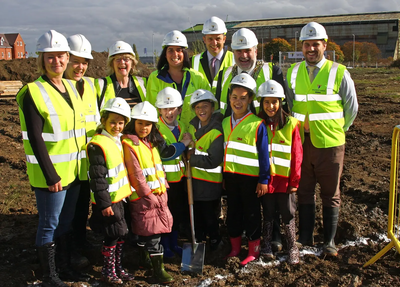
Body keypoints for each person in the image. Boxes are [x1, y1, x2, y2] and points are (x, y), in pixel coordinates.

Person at [16, 30, 89, 286]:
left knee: (65, 223)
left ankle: (65, 267)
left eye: (61, 56)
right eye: (50, 57)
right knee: (49, 225)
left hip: (74, 172)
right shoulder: (33, 92)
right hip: (52, 175)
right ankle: (50, 275)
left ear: (67, 57)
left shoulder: (70, 86)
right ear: (41, 59)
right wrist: (50, 175)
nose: (56, 61)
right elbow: (36, 138)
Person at [286, 22, 358, 256]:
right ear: (302, 46)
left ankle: (329, 241)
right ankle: (306, 237)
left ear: (324, 45)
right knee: (304, 190)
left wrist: (339, 128)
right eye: (307, 44)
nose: (310, 49)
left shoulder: (339, 71)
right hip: (302, 142)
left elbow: (351, 107)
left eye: (315, 44)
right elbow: (289, 104)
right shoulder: (293, 71)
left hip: (330, 144)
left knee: (330, 192)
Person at [122, 101, 174, 284]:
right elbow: (136, 174)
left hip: (157, 194)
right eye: (140, 123)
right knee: (153, 234)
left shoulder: (150, 143)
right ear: (133, 122)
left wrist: (163, 188)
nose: (144, 127)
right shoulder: (130, 144)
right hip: (144, 197)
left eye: (148, 124)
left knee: (146, 231)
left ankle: (145, 260)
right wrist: (148, 195)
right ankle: (158, 270)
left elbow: (156, 168)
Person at [222, 73, 270, 266]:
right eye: (234, 97)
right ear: (229, 98)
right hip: (231, 178)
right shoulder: (225, 122)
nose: (238, 102)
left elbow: (264, 155)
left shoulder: (257, 124)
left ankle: (253, 250)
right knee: (232, 213)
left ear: (250, 99)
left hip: (251, 180)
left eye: (243, 98)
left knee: (251, 214)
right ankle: (235, 248)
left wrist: (264, 179)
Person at [86, 98, 134, 284]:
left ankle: (117, 267)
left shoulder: (117, 140)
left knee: (120, 232)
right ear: (104, 120)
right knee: (112, 235)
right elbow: (97, 178)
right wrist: (104, 204)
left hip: (120, 198)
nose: (117, 126)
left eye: (121, 123)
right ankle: (108, 270)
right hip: (109, 201)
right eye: (112, 122)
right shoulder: (98, 145)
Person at [257, 80, 302, 264]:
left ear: (281, 102)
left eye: (274, 102)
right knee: (267, 212)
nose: (270, 106)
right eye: (266, 102)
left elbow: (297, 154)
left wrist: (295, 181)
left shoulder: (291, 124)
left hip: (285, 181)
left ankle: (292, 246)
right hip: (267, 180)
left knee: (288, 213)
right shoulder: (259, 124)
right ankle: (266, 244)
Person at [64, 33, 99, 267]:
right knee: (66, 212)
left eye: (84, 62)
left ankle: (80, 241)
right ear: (66, 59)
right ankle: (68, 251)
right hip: (66, 160)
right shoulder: (58, 87)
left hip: (86, 159)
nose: (80, 67)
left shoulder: (90, 85)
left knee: (82, 206)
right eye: (76, 61)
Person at [214, 28, 288, 118]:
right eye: (239, 51)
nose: (244, 56)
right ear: (233, 53)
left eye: (247, 50)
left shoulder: (273, 72)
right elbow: (217, 109)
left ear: (255, 51)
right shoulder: (223, 74)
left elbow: (282, 110)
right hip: (231, 130)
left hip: (262, 130)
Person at [154, 87, 193, 257]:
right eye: (165, 109)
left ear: (180, 109)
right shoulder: (156, 129)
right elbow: (166, 152)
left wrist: (189, 145)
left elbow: (187, 145)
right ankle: (165, 245)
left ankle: (174, 242)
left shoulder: (182, 126)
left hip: (180, 179)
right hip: (164, 181)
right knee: (165, 213)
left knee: (176, 212)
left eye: (172, 108)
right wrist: (184, 144)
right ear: (159, 110)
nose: (169, 112)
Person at [146, 30, 210, 127]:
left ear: (184, 53)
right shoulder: (155, 78)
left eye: (179, 50)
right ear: (165, 54)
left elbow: (208, 107)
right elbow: (151, 110)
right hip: (165, 136)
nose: (175, 54)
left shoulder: (198, 77)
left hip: (194, 136)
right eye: (170, 50)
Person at [186, 89, 224, 250]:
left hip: (209, 183)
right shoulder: (192, 127)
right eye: (197, 107)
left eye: (205, 106)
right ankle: (200, 240)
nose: (201, 110)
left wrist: (190, 158)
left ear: (212, 107)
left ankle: (215, 240)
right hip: (193, 181)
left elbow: (213, 160)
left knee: (210, 215)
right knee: (197, 214)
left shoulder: (216, 131)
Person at [96, 40, 146, 110]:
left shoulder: (143, 84)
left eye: (126, 59)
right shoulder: (101, 85)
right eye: (118, 59)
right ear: (112, 63)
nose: (122, 62)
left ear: (132, 63)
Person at [191, 16, 235, 88]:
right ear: (204, 40)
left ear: (224, 39)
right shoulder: (193, 61)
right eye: (210, 39)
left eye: (218, 39)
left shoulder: (235, 59)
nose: (214, 43)